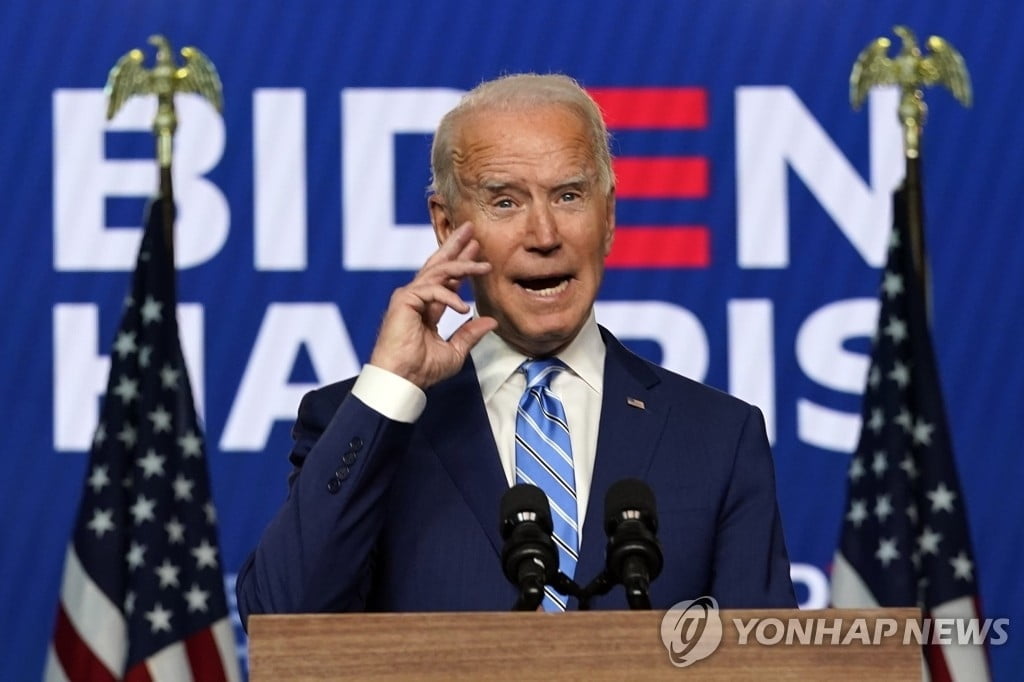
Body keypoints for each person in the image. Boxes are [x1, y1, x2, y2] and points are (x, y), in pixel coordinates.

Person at [236, 73, 795, 623]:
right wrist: (390, 388)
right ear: (446, 224)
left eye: (569, 196)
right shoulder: (359, 424)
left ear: (608, 217)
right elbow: (281, 618)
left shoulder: (719, 437)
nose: (545, 234)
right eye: (505, 202)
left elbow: (767, 662)